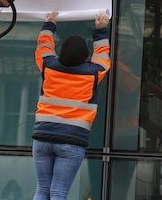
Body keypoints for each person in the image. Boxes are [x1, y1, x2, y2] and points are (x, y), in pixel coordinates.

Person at [31, 10, 111, 200]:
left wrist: (50, 23)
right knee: (58, 193)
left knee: (42, 190)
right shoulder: (91, 74)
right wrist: (100, 30)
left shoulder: (49, 66)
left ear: (61, 53)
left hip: (42, 137)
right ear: (86, 57)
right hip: (71, 141)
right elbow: (102, 56)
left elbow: (43, 47)